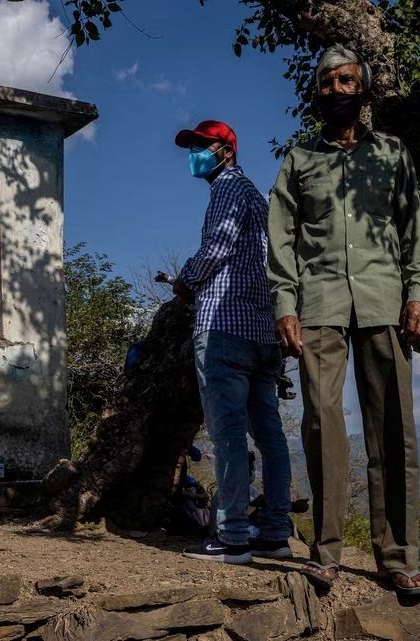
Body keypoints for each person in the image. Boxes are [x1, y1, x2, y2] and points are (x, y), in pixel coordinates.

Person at [267, 45, 420, 594]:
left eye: (346, 81)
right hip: (318, 306)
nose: (336, 90)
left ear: (362, 90)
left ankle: (398, 557)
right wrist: (285, 305)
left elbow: (414, 231)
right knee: (321, 422)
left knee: (393, 428)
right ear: (316, 93)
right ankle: (326, 552)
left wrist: (418, 295)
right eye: (327, 82)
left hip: (385, 303)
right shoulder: (299, 161)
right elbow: (281, 242)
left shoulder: (392, 153)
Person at [173, 120, 294, 565]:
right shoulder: (258, 198)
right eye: (193, 147)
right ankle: (276, 532)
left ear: (226, 151)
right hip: (262, 331)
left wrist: (186, 280)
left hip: (224, 326)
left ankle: (232, 536)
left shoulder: (226, 188)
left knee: (227, 435)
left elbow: (218, 245)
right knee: (270, 435)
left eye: (202, 146)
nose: (195, 154)